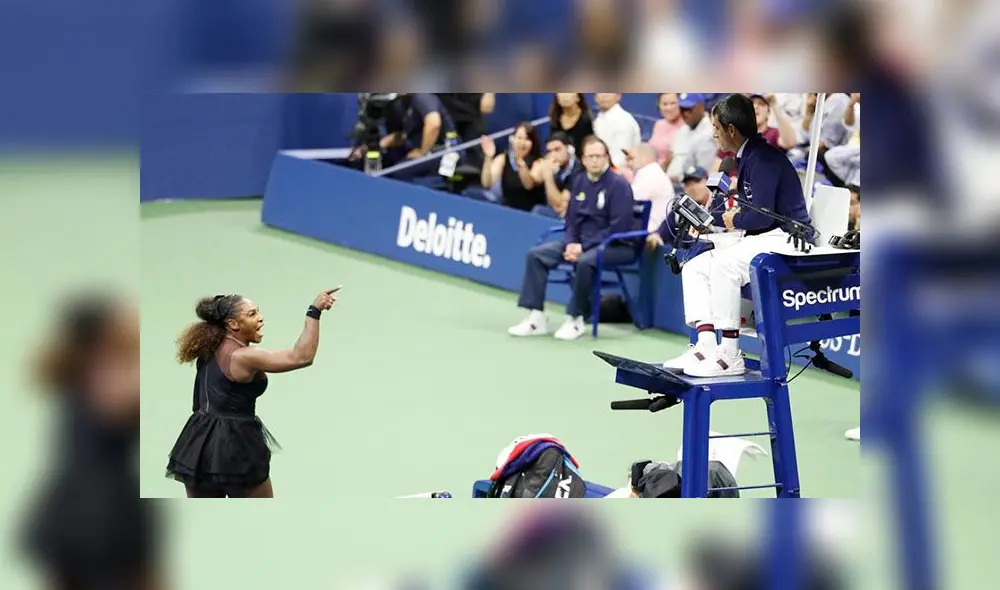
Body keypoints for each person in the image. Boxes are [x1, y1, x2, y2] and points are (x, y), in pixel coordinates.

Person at [662, 94, 813, 377]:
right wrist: (714, 220)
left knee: (723, 265)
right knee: (694, 265)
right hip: (763, 237)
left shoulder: (764, 159)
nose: (714, 134)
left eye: (716, 127)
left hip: (788, 239)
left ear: (731, 129)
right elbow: (749, 216)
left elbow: (761, 216)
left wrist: (732, 220)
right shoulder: (747, 156)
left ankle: (730, 353)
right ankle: (706, 345)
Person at [21, 294, 162, 589]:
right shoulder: (102, 375)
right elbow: (128, 400)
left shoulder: (82, 374)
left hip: (80, 507)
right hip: (100, 513)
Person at [165, 288, 340, 498]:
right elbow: (301, 357)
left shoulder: (210, 346)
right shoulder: (243, 356)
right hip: (235, 446)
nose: (260, 318)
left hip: (198, 446)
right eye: (252, 314)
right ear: (233, 324)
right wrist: (314, 312)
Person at [508, 136, 637, 341]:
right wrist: (571, 243)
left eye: (599, 156)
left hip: (615, 246)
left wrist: (583, 246)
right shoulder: (579, 180)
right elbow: (572, 220)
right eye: (590, 156)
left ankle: (575, 318)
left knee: (585, 262)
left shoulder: (618, 185)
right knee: (536, 255)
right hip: (581, 244)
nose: (594, 160)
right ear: (583, 159)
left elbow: (618, 228)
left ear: (606, 158)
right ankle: (536, 317)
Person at [480, 122, 546, 212]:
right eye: (519, 138)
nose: (522, 143)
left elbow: (528, 185)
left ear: (533, 143)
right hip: (507, 210)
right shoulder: (503, 159)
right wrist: (488, 157)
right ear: (512, 139)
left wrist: (519, 161)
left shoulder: (539, 162)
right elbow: (487, 183)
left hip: (530, 213)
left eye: (527, 139)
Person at [623, 143, 675, 251]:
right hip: (645, 233)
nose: (628, 163)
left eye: (632, 158)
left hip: (651, 236)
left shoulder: (651, 174)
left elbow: (626, 201)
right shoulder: (648, 174)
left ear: (646, 158)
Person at [531, 131, 583, 219]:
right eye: (549, 151)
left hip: (571, 216)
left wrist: (547, 175)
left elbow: (559, 205)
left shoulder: (578, 171)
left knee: (538, 211)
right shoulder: (553, 163)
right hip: (554, 209)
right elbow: (532, 181)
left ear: (570, 149)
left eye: (557, 149)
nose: (553, 155)